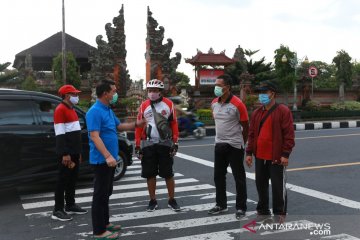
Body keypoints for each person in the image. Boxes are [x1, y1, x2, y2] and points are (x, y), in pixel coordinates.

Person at [86, 80, 145, 239]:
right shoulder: (94, 112)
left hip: (111, 160)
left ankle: (105, 224)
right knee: (99, 195)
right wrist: (107, 156)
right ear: (105, 93)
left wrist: (137, 124)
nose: (115, 94)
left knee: (106, 193)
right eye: (113, 91)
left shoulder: (107, 110)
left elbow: (119, 127)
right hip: (102, 161)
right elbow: (94, 136)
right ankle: (99, 232)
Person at [245, 80, 295, 223]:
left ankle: (279, 213)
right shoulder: (256, 113)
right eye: (260, 93)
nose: (261, 96)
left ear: (272, 94)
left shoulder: (283, 111)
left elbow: (289, 135)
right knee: (261, 185)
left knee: (278, 188)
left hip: (276, 157)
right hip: (260, 155)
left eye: (264, 92)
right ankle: (263, 210)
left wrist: (285, 154)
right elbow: (252, 134)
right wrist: (249, 153)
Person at [135, 79, 181, 212]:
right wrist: (138, 145)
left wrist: (175, 142)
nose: (152, 93)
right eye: (149, 90)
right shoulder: (144, 106)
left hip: (165, 143)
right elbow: (139, 127)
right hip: (148, 143)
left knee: (168, 173)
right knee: (150, 174)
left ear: (160, 92)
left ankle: (171, 200)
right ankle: (152, 200)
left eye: (155, 91)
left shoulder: (168, 104)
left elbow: (173, 124)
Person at [208, 74, 249, 220]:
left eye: (219, 86)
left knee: (239, 177)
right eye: (216, 85)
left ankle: (241, 207)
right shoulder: (214, 103)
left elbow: (245, 126)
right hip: (219, 144)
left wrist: (241, 144)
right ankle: (221, 204)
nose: (216, 88)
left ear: (227, 88)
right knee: (218, 176)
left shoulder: (238, 104)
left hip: (234, 145)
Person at [52, 84, 88, 221]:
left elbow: (74, 133)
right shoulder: (60, 110)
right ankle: (58, 209)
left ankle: (70, 204)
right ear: (67, 96)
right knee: (62, 180)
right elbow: (60, 134)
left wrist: (77, 152)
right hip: (66, 153)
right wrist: (65, 153)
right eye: (74, 94)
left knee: (72, 179)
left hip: (74, 152)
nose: (77, 96)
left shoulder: (71, 109)